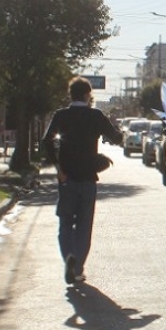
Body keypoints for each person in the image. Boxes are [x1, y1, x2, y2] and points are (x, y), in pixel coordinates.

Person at [41, 76, 123, 285]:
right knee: (84, 226)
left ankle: (68, 255)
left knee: (66, 222)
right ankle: (77, 266)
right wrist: (116, 130)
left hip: (66, 178)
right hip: (88, 179)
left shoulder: (61, 115)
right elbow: (116, 138)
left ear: (71, 94)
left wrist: (58, 168)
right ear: (88, 95)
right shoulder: (95, 116)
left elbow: (47, 142)